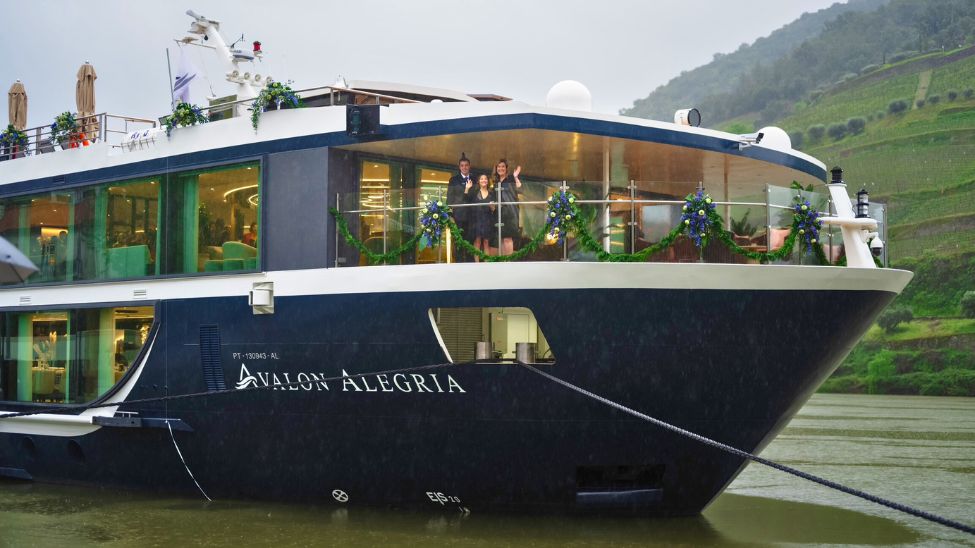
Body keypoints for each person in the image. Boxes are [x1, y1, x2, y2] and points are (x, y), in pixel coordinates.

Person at [492, 159, 523, 255]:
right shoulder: (496, 181)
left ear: (506, 168)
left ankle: (508, 261)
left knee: (507, 238)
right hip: (499, 212)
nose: (500, 168)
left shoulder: (510, 179)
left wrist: (516, 177)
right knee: (501, 238)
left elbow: (520, 188)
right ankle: (503, 260)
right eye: (499, 166)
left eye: (503, 166)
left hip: (510, 212)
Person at [447, 153, 474, 262]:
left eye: (466, 165)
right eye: (462, 165)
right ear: (459, 167)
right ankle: (459, 263)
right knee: (458, 241)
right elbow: (450, 197)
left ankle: (470, 264)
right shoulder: (453, 180)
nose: (464, 167)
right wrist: (450, 215)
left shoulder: (475, 179)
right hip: (458, 215)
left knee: (470, 241)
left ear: (469, 166)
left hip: (472, 216)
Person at [465, 173, 496, 261]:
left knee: (486, 242)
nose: (483, 180)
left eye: (485, 178)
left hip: (487, 220)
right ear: (478, 181)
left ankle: (487, 263)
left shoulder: (491, 193)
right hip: (476, 220)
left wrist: (493, 207)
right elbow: (466, 200)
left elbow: (494, 210)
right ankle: (477, 264)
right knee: (477, 241)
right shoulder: (474, 192)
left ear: (488, 181)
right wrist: (467, 188)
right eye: (481, 179)